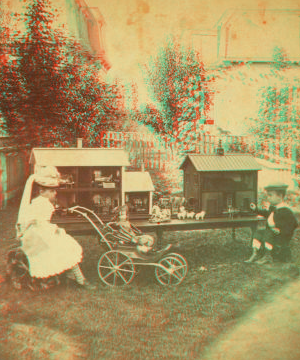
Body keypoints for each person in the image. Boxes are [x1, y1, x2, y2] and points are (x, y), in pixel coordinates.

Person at [17, 166, 96, 290]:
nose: (55, 193)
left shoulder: (42, 202)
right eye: (51, 191)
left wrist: (53, 229)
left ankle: (75, 275)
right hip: (36, 235)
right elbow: (38, 222)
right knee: (64, 246)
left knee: (66, 244)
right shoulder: (40, 203)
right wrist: (54, 230)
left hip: (41, 231)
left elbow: (42, 222)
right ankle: (79, 279)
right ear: (42, 191)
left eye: (54, 191)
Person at [245, 182, 298, 265]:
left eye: (270, 195)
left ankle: (268, 256)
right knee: (259, 232)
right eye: (267, 195)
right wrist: (256, 209)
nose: (268, 198)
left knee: (268, 233)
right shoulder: (273, 207)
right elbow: (267, 214)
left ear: (279, 196)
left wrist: (281, 230)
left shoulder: (285, 210)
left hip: (281, 236)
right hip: (271, 233)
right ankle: (255, 253)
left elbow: (293, 224)